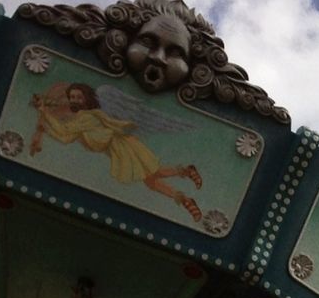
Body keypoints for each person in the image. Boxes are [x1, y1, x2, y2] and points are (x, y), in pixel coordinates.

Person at [29, 82, 203, 222]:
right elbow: (65, 137)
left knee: (153, 176)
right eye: (72, 97)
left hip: (124, 147)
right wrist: (45, 120)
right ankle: (186, 190)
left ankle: (187, 181)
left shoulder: (86, 117)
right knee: (151, 180)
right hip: (119, 149)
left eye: (78, 97)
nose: (74, 100)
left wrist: (44, 113)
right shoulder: (84, 116)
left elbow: (64, 131)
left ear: (86, 99)